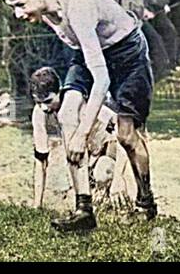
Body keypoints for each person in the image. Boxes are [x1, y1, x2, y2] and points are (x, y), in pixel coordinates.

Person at [3, 0, 156, 232]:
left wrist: (82, 134)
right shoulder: (45, 8)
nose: (18, 14)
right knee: (66, 113)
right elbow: (85, 54)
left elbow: (103, 81)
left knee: (127, 137)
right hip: (89, 52)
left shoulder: (78, 8)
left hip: (127, 52)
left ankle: (146, 202)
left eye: (20, 4)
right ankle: (83, 209)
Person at [29, 67, 122, 210]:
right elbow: (40, 159)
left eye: (48, 101)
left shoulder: (76, 101)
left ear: (59, 92)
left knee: (102, 173)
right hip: (87, 156)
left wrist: (118, 180)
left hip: (108, 146)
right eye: (38, 102)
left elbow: (120, 127)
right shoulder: (40, 112)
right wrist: (37, 205)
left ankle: (111, 195)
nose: (44, 108)